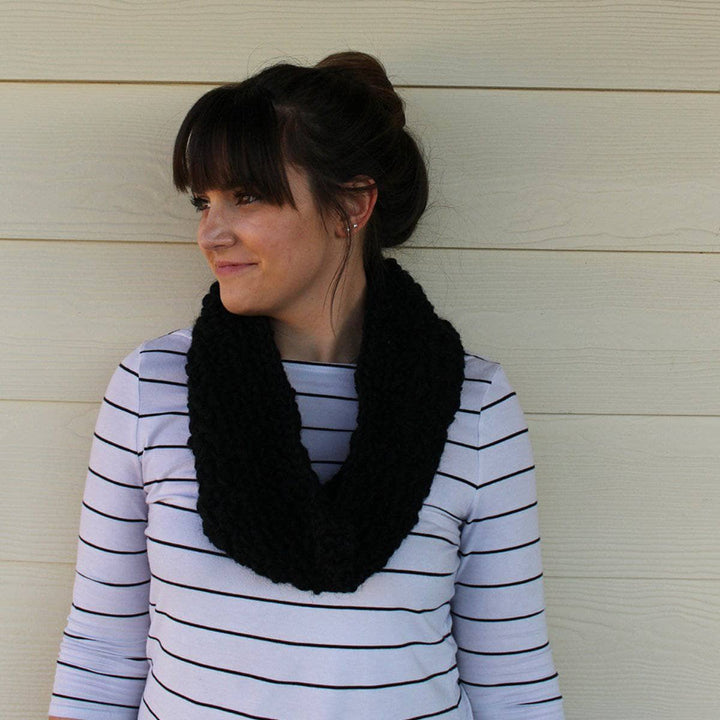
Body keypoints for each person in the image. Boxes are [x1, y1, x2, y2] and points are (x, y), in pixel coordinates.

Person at [49, 51, 564, 719]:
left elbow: (513, 675)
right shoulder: (152, 389)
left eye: (247, 196)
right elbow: (101, 653)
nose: (211, 232)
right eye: (202, 202)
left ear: (352, 204)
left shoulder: (473, 403)